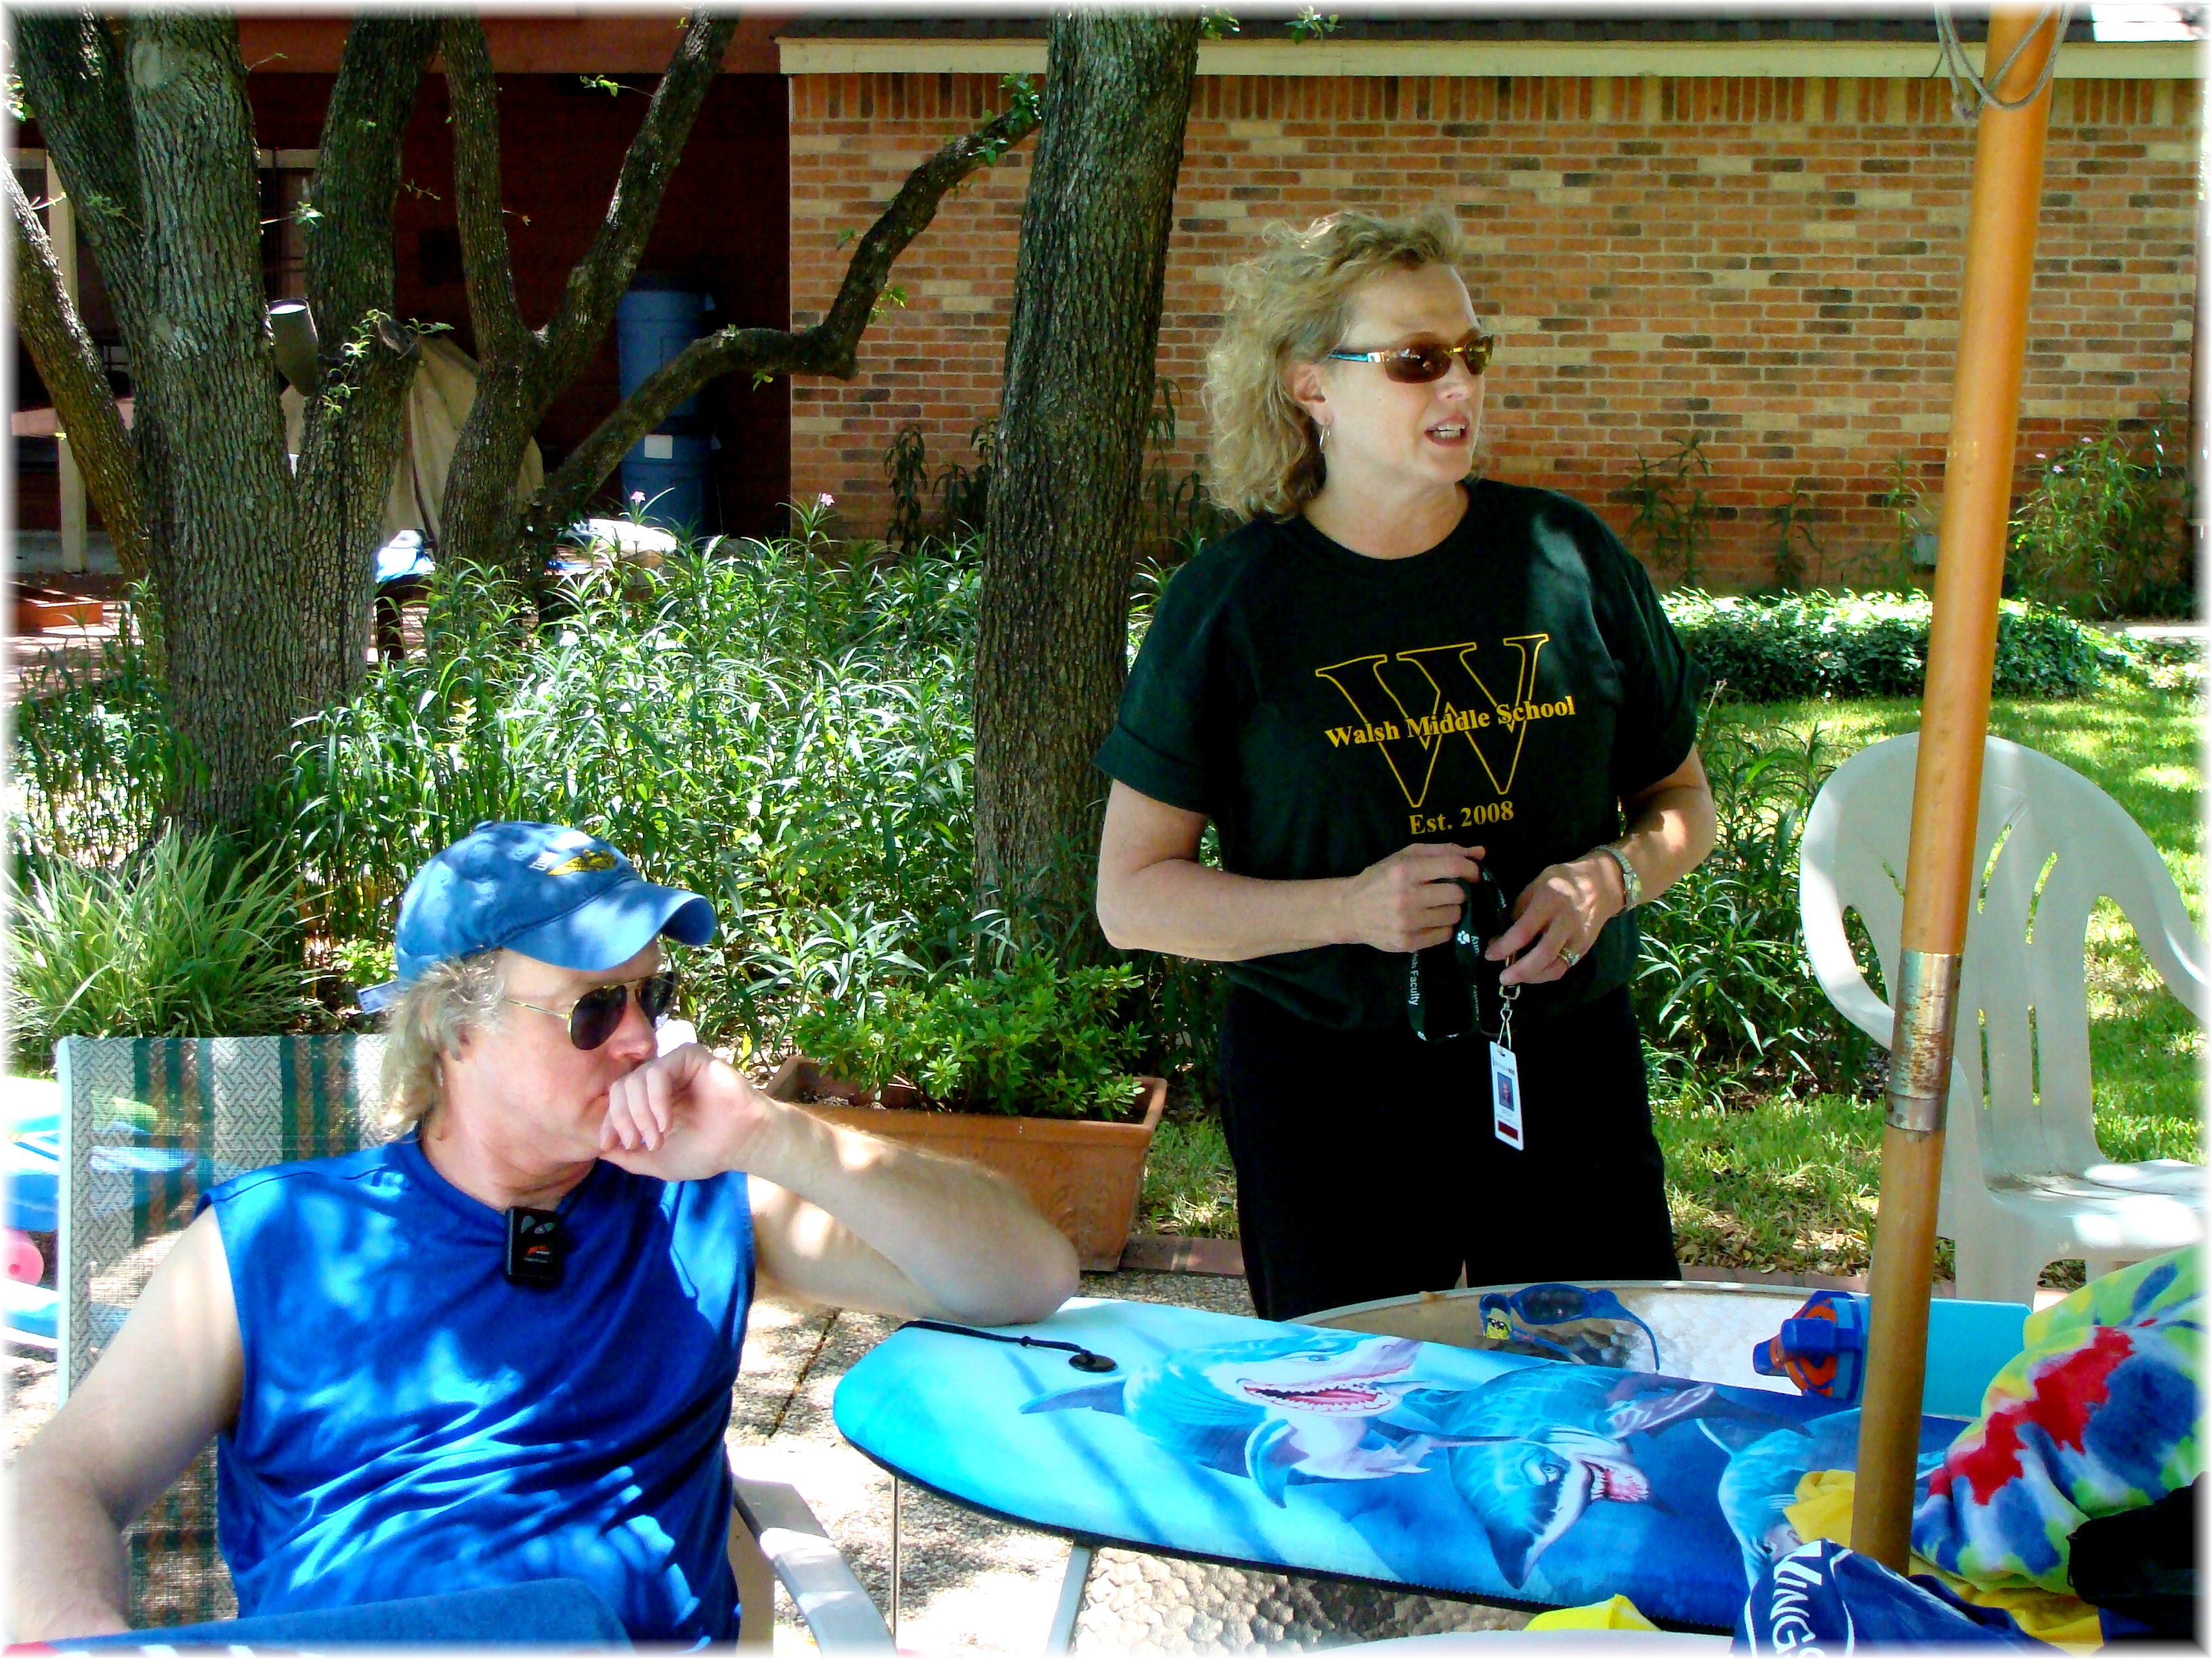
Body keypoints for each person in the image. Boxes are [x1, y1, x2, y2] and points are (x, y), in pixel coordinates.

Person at [10, 822, 1078, 1644]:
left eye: (652, 996)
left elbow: (1028, 1276)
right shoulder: (276, 1242)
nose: (641, 1039)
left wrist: (777, 1135)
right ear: (454, 1026)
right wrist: (76, 1641)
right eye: (593, 1009)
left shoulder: (703, 1205)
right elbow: (64, 1479)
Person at [1094, 210, 1717, 1322]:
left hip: (1563, 1063)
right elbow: (1132, 898)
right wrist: (1350, 908)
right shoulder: (1233, 605)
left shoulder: (1568, 556)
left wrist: (1610, 878)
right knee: (1365, 1409)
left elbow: (1681, 804)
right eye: (1416, 360)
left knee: (1601, 1390)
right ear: (1310, 387)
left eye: (1473, 352)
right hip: (1331, 1090)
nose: (1460, 385)